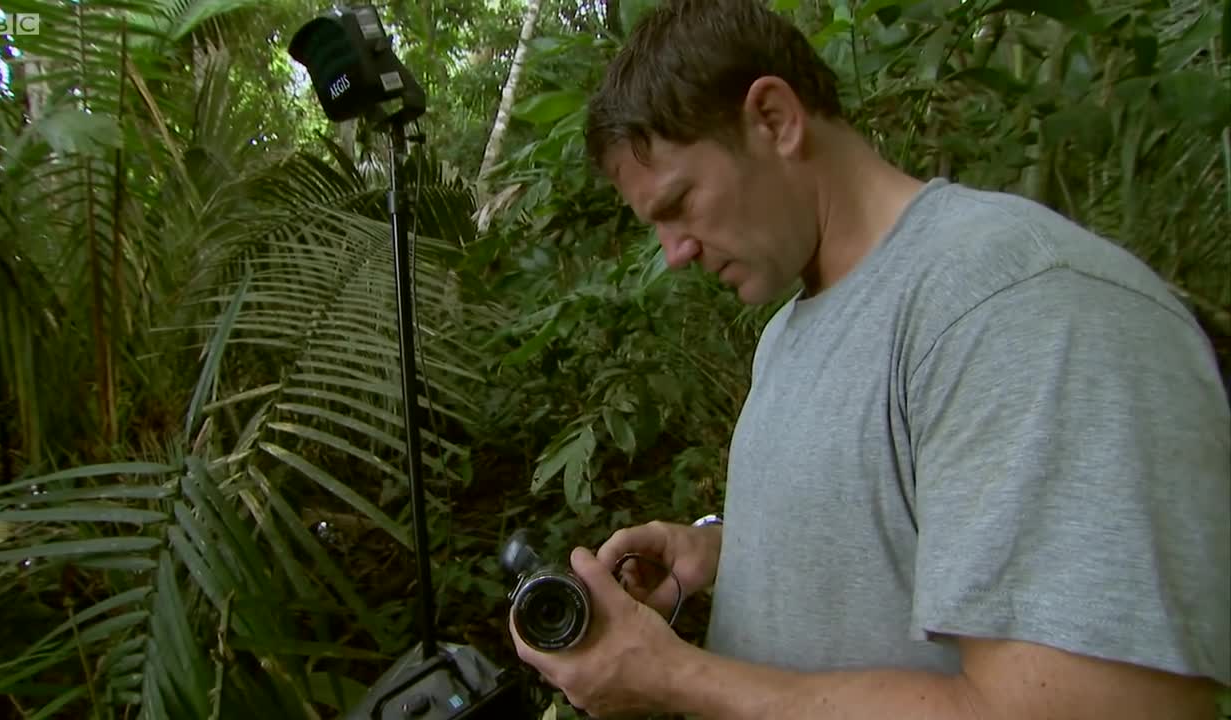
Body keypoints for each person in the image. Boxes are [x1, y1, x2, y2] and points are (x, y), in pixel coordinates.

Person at [507, 0, 1231, 717]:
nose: (674, 253)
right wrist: (727, 553)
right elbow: (907, 531)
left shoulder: (1020, 306)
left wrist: (674, 678)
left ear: (775, 120)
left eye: (679, 203)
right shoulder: (789, 330)